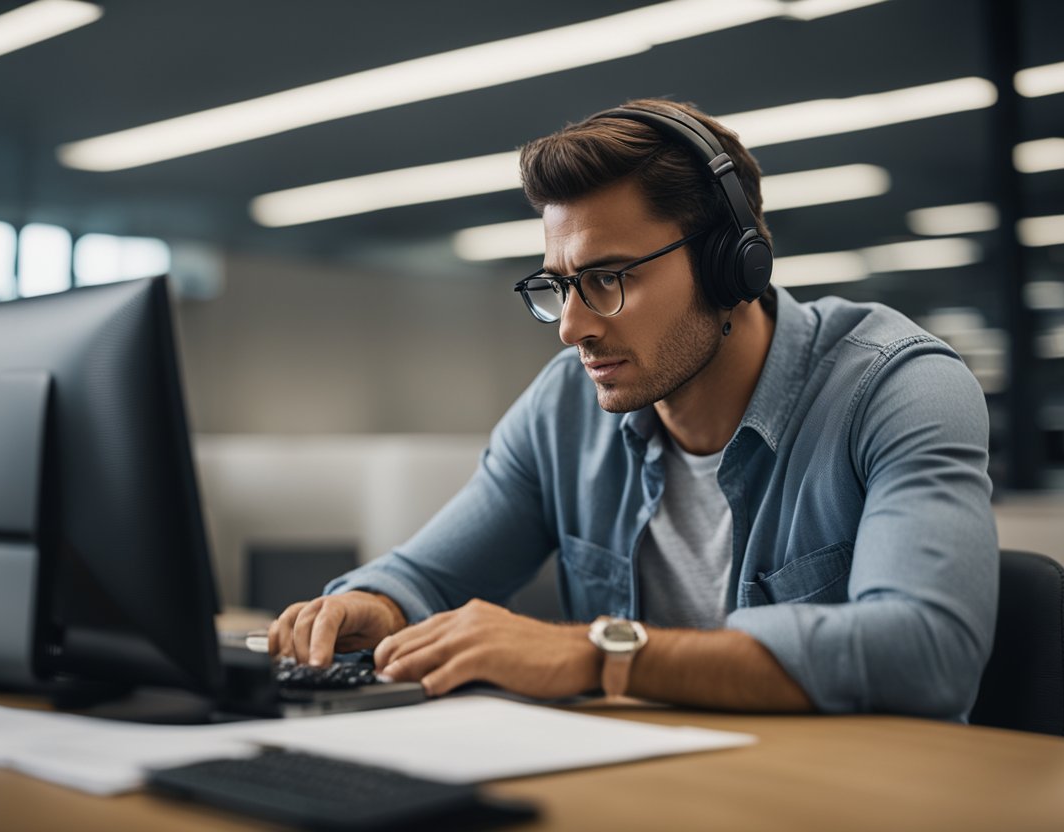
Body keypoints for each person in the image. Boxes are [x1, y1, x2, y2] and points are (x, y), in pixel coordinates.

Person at [267, 98, 998, 719]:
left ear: (729, 263)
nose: (571, 327)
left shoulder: (895, 389)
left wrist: (601, 654)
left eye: (607, 278)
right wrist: (372, 605)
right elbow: (428, 579)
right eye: (560, 285)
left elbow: (927, 653)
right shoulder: (564, 409)